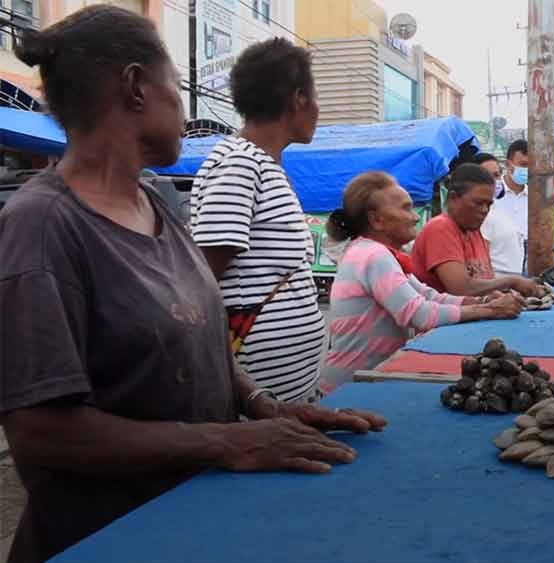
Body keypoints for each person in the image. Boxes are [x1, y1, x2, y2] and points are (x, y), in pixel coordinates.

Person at [0, 8, 386, 562]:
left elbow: (199, 335)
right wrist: (225, 441)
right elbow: (41, 433)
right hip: (108, 540)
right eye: (177, 87)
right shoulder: (42, 225)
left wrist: (263, 406)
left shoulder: (154, 204)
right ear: (136, 87)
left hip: (190, 521)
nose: (185, 108)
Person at [189, 38, 326, 402]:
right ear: (298, 98)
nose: (318, 108)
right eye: (314, 96)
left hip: (286, 392)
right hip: (256, 398)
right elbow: (200, 276)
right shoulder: (241, 164)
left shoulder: (263, 165)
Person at [325, 172, 524, 391]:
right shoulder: (372, 255)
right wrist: (490, 310)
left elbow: (430, 296)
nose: (415, 217)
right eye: (406, 209)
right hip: (349, 387)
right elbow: (419, 314)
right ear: (376, 220)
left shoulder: (382, 254)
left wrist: (483, 302)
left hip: (365, 379)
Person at [412, 164, 542, 297]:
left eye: (489, 204)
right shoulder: (440, 228)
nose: (485, 210)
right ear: (453, 198)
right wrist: (512, 282)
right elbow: (461, 288)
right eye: (478, 203)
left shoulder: (473, 231)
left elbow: (484, 282)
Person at [474, 153, 524, 276]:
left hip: (512, 281)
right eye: (487, 176)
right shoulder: (480, 214)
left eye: (497, 175)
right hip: (497, 282)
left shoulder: (497, 207)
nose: (494, 181)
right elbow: (481, 259)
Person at [492, 139, 530, 270]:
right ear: (508, 165)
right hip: (498, 261)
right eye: (523, 165)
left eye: (531, 165)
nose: (527, 170)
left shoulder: (535, 198)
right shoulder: (493, 194)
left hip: (527, 261)